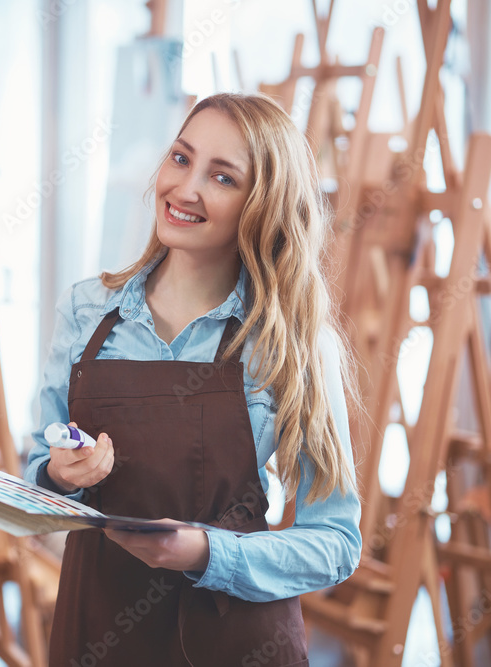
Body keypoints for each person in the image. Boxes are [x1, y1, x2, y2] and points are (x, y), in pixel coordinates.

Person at [24, 92, 362, 666]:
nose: (185, 189)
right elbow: (34, 475)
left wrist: (209, 554)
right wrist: (57, 474)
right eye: (181, 159)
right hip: (98, 633)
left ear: (263, 206)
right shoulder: (86, 311)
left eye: (222, 177)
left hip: (240, 643)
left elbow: (336, 543)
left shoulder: (293, 343)